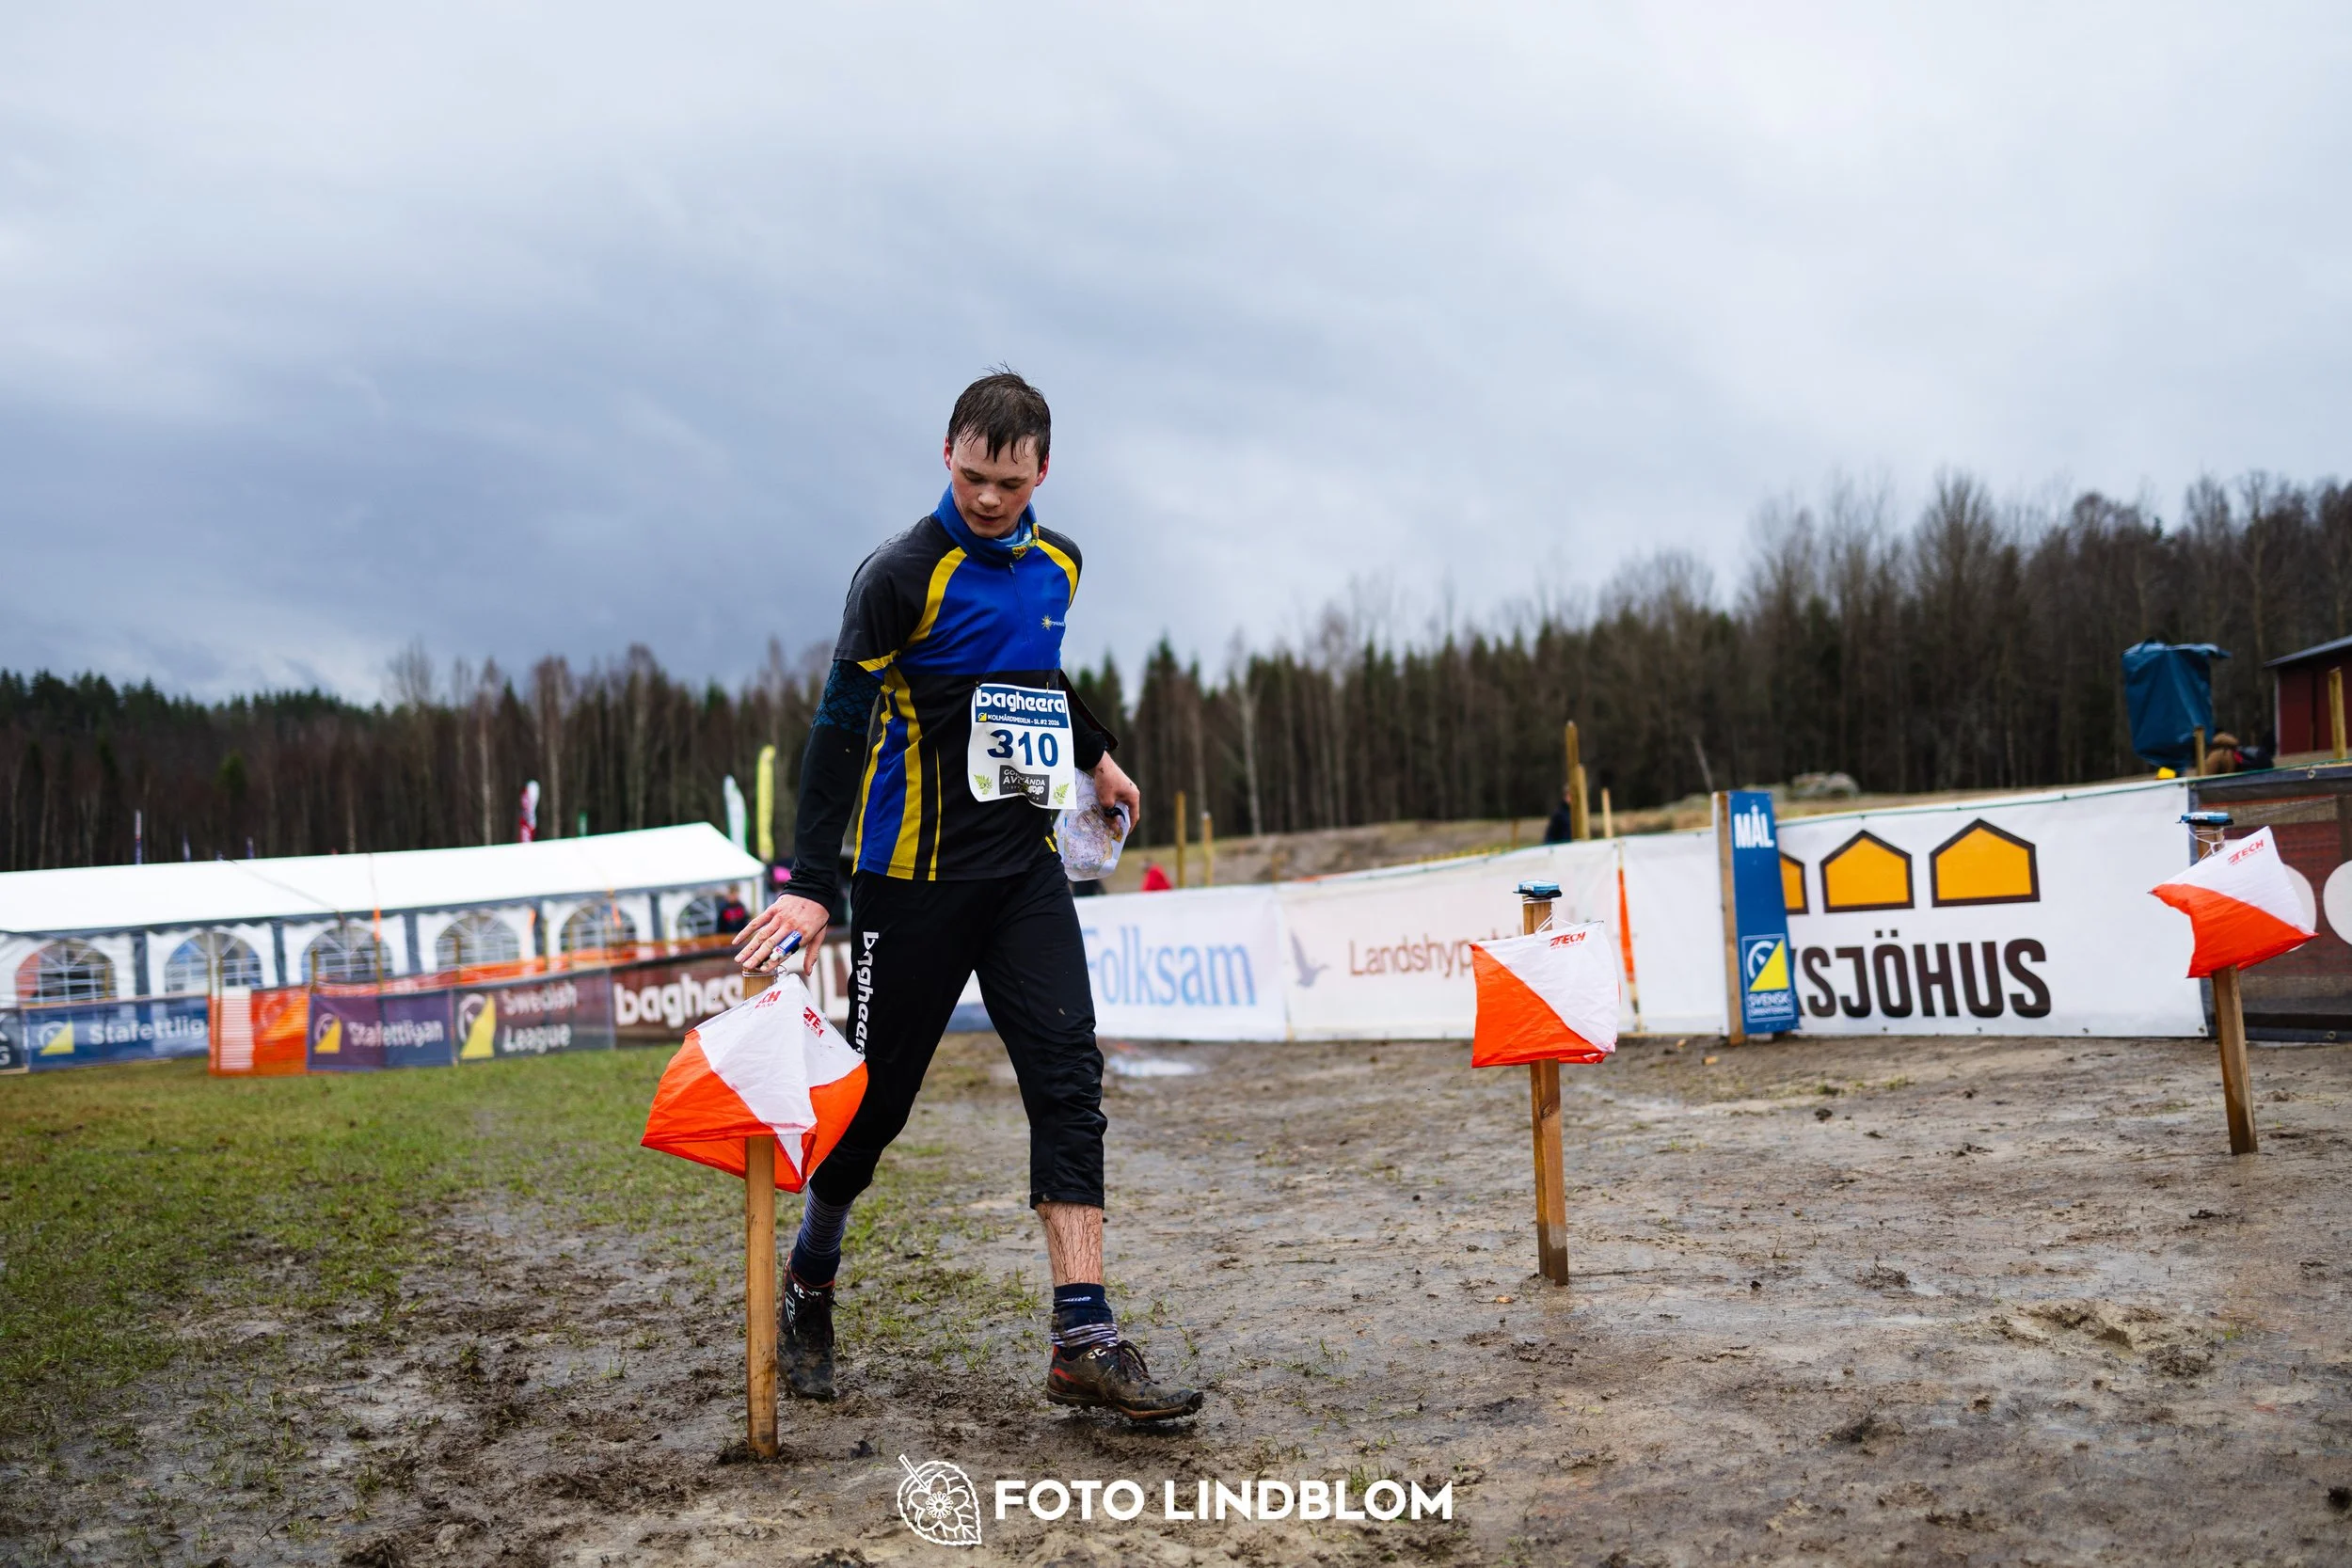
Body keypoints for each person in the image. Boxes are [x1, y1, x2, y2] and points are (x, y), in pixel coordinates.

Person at [734, 371, 1202, 1423]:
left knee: (1068, 1079)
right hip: (910, 882)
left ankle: (1083, 1332)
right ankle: (810, 1280)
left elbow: (1035, 673)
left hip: (1024, 872)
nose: (990, 497)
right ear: (945, 452)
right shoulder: (901, 575)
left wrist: (1099, 754)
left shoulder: (1059, 562)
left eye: (1010, 479)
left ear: (1043, 469)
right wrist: (813, 884)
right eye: (974, 474)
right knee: (875, 1107)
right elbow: (837, 727)